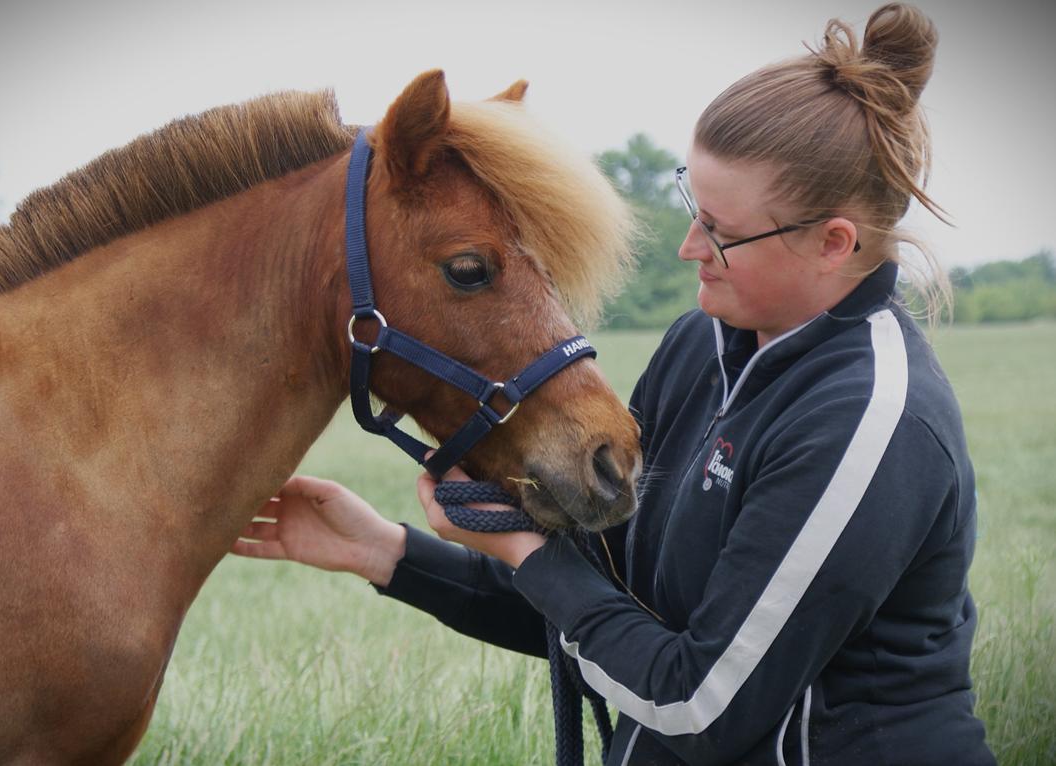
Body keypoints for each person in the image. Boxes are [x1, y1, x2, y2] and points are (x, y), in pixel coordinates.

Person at [233, 4, 996, 764]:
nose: (689, 246)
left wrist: (528, 554)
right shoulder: (702, 347)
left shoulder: (868, 421)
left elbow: (697, 708)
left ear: (833, 243)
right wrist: (387, 553)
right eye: (693, 205)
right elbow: (604, 614)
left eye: (724, 232)